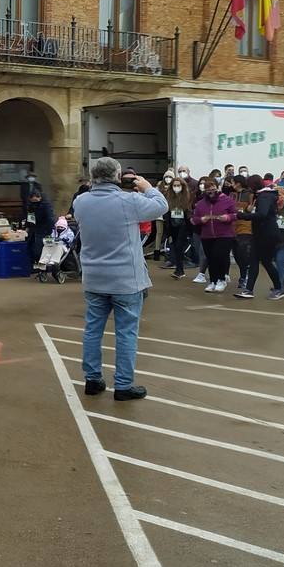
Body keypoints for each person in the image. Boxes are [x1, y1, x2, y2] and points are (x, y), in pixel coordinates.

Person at [72, 157, 168, 401]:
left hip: (94, 276)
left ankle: (92, 379)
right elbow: (161, 205)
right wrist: (146, 186)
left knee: (93, 329)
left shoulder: (81, 202)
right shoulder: (130, 200)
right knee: (126, 332)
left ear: (93, 177)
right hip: (125, 279)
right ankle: (123, 385)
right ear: (117, 176)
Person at [235, 174, 284, 300]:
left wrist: (242, 216)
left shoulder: (265, 196)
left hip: (267, 234)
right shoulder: (263, 196)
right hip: (260, 233)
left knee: (266, 262)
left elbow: (262, 214)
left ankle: (279, 288)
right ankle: (249, 290)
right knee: (254, 261)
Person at [190, 177, 236, 293]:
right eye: (208, 190)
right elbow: (194, 219)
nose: (211, 192)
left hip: (224, 234)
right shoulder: (200, 204)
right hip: (207, 235)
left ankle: (221, 279)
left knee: (219, 256)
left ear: (218, 188)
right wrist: (201, 220)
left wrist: (227, 217)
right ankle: (213, 281)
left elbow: (235, 214)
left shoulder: (227, 200)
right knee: (210, 258)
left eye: (213, 189)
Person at [162, 174, 193, 280]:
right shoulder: (169, 197)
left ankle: (179, 270)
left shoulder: (188, 197)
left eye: (178, 185)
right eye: (174, 185)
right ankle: (178, 269)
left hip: (183, 225)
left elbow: (189, 213)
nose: (176, 187)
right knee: (175, 246)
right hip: (172, 225)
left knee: (179, 246)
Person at [231, 175, 256, 292]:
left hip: (246, 227)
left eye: (233, 182)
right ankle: (243, 273)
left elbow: (253, 209)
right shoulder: (232, 195)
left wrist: (250, 209)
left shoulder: (250, 195)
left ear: (238, 183)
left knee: (242, 250)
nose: (232, 185)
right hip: (233, 227)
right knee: (236, 253)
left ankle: (244, 276)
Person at [25, 187, 56, 265]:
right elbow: (30, 216)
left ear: (40, 197)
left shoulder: (46, 205)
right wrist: (28, 227)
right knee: (32, 247)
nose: (34, 202)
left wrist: (49, 230)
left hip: (44, 228)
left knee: (39, 249)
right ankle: (35, 265)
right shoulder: (31, 205)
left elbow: (50, 218)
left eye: (35, 200)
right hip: (34, 228)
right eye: (32, 201)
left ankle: (41, 266)